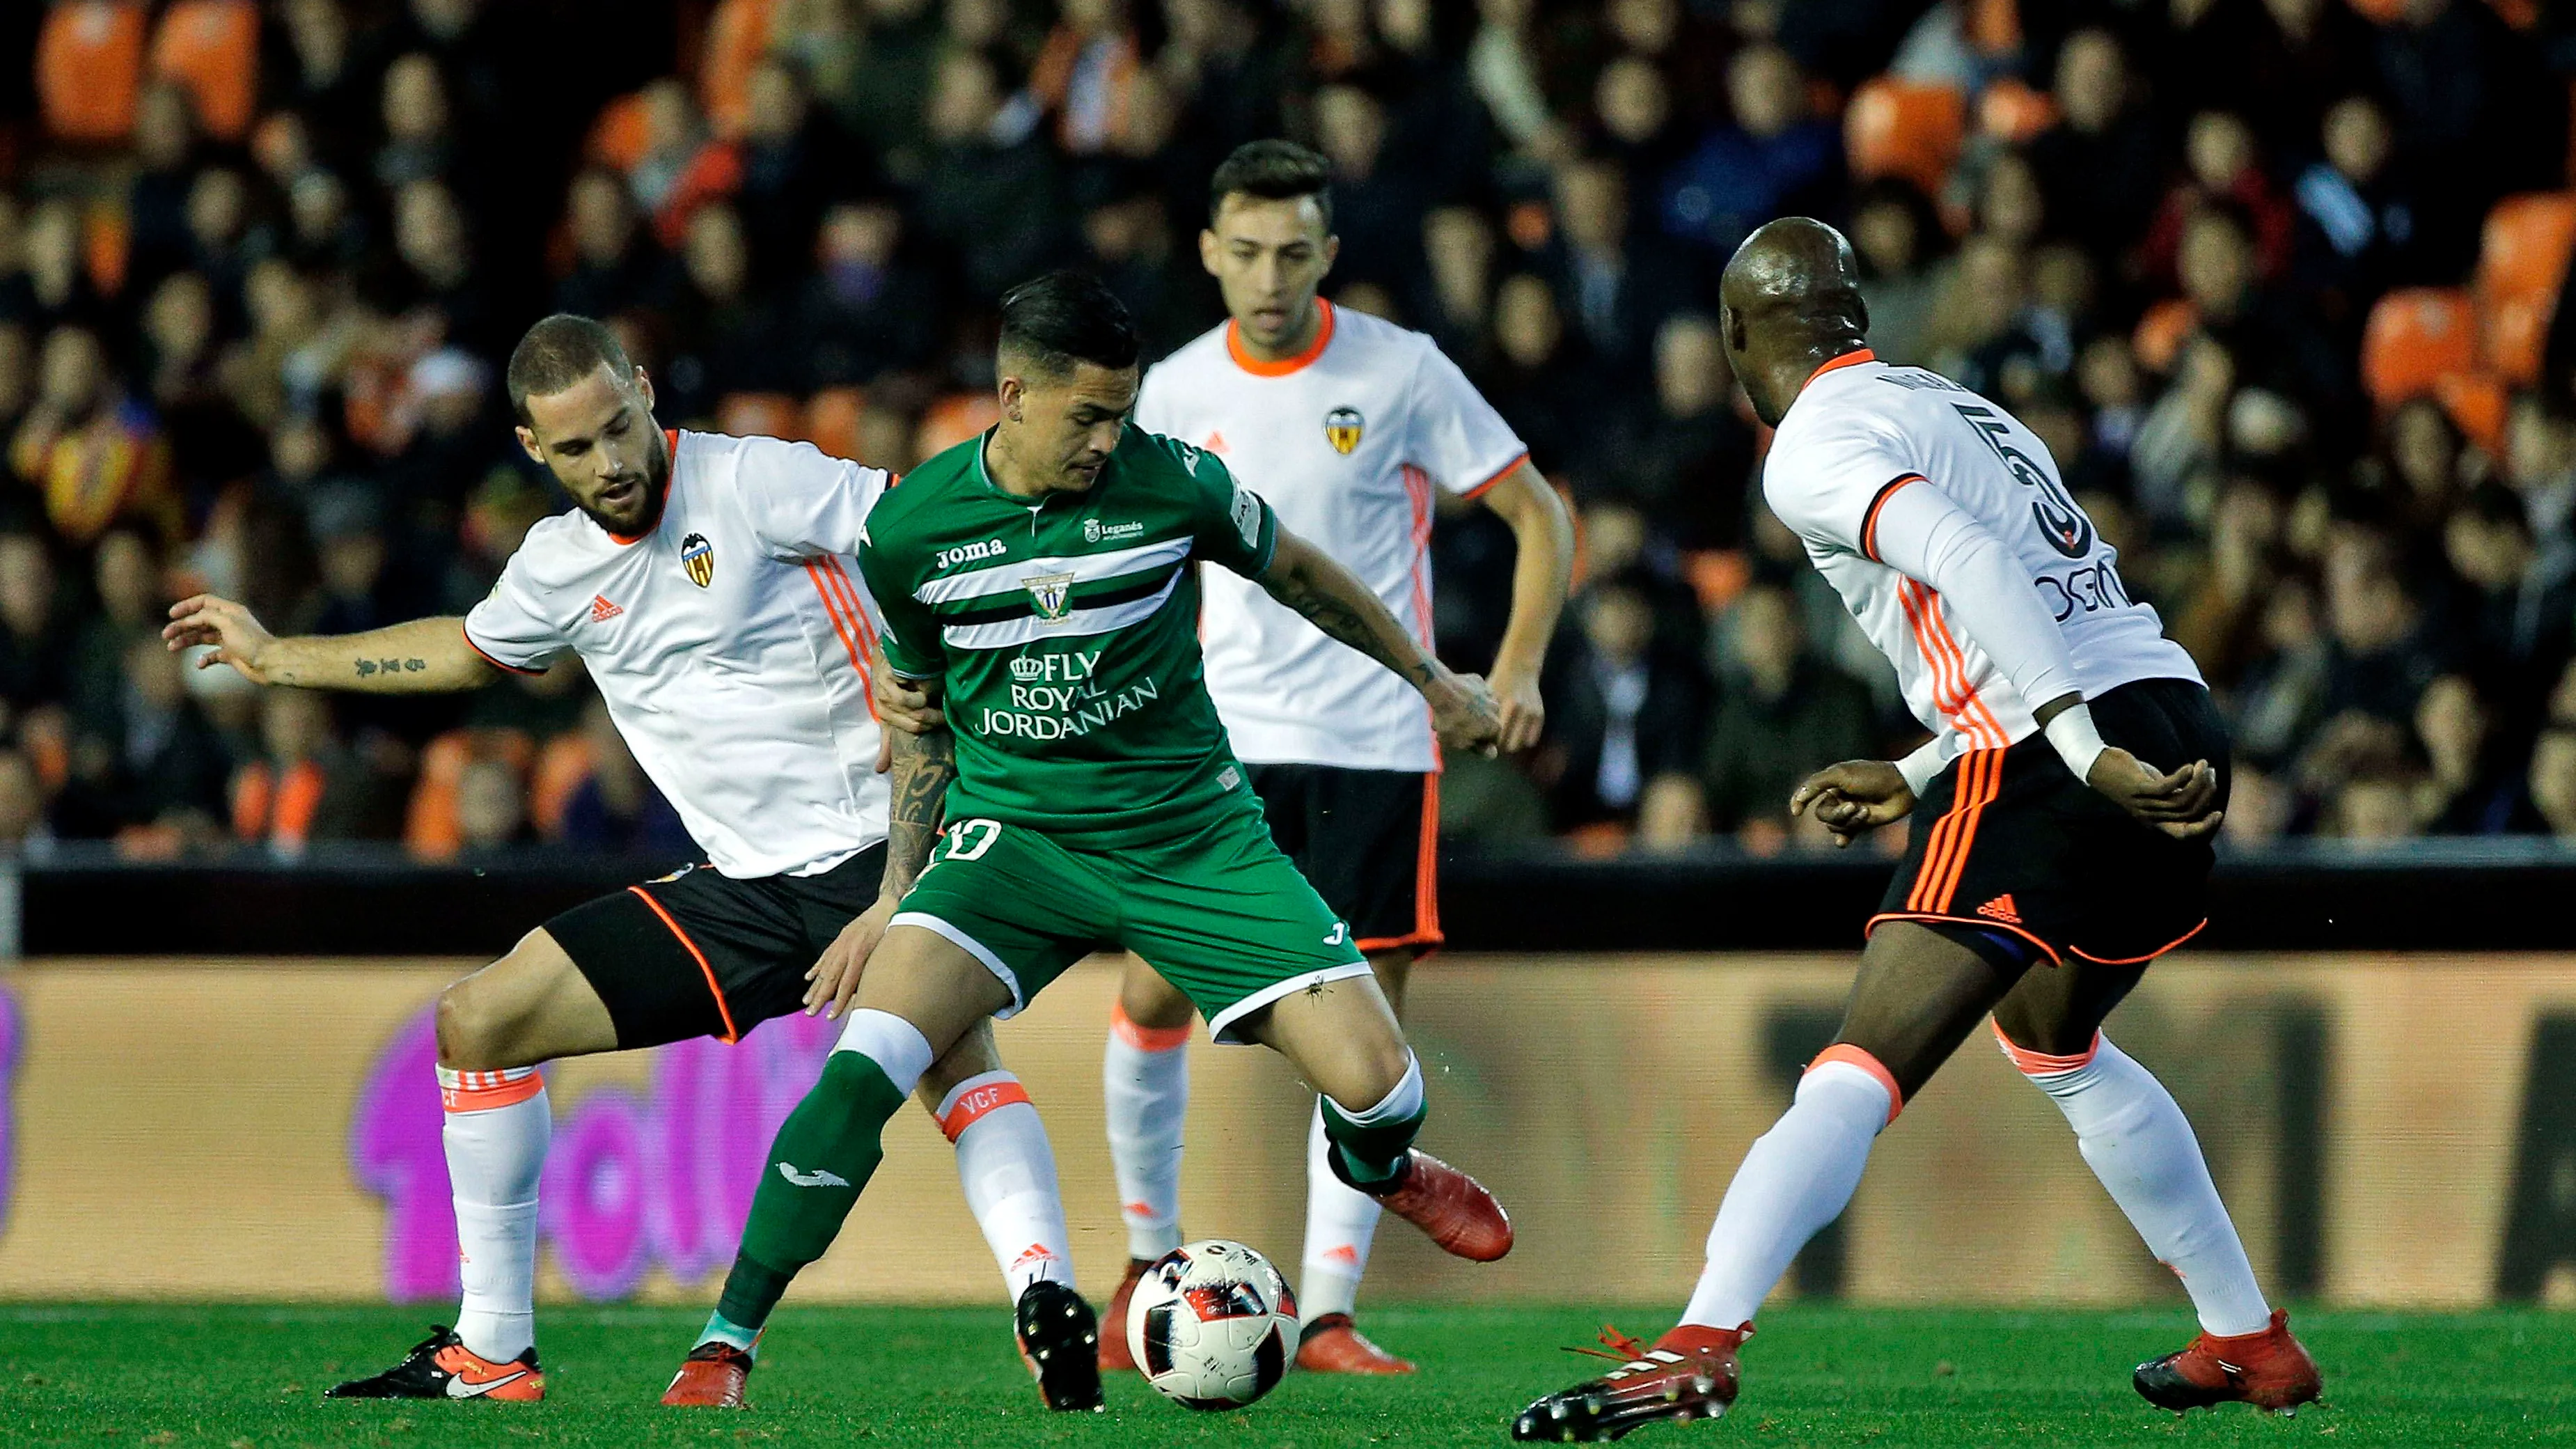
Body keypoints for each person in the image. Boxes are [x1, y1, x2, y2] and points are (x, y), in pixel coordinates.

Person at [162, 315, 1086, 1409]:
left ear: (646, 391)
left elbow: (930, 530)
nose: (611, 463)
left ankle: (1050, 1303)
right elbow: (465, 650)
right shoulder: (555, 568)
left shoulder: (756, 480)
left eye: (620, 427)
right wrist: (280, 658)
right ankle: (493, 1348)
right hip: (742, 888)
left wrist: (938, 672)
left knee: (950, 1057)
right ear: (531, 450)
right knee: (481, 1020)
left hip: (890, 846)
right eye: (577, 449)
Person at [1511, 219, 2323, 1441]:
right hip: (2172, 709)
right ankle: (2249, 1339)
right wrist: (1924, 758)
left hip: (2063, 751)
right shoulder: (1953, 402)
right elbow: (2040, 595)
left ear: (1740, 336)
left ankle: (1699, 1343)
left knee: (1858, 1068)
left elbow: (1963, 556)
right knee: (2055, 1039)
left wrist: (2075, 745)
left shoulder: (1808, 446)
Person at [662, 272, 1516, 1408]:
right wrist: (899, 894)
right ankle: (725, 1343)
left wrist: (1429, 679)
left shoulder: (1174, 483)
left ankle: (1387, 1166)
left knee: (1380, 1083)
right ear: (1012, 394)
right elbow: (917, 722)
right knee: (866, 1067)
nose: (1112, 440)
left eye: (1123, 413)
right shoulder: (910, 533)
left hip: (1192, 840)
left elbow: (1300, 570)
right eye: (1090, 416)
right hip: (1013, 844)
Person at [1085, 139, 1572, 1374]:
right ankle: (1144, 1258)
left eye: (1294, 251)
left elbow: (1539, 514)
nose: (1268, 274)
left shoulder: (1400, 369)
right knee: (1148, 991)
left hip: (1373, 745)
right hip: (1220, 746)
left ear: (1329, 255)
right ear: (1207, 251)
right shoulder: (1180, 386)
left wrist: (1512, 669)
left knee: (1371, 1031)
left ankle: (1330, 1316)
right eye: (1245, 251)